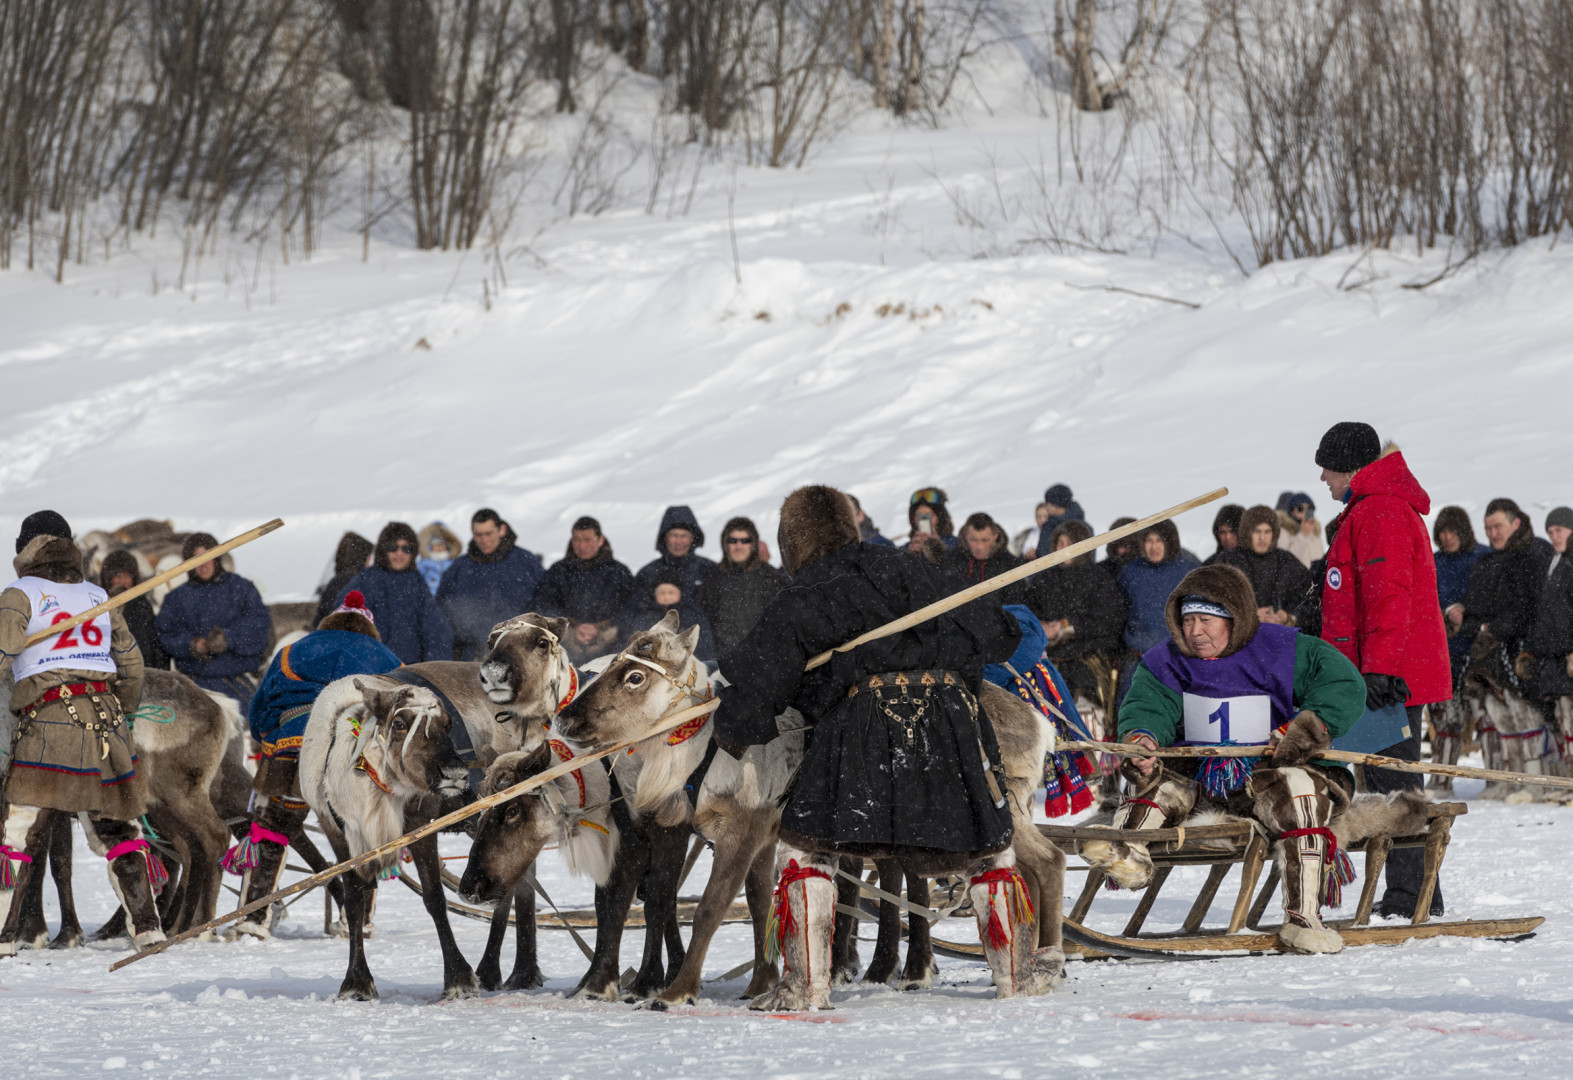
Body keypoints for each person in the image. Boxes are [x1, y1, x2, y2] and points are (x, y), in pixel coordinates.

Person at [714, 486, 1059, 1009]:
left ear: (791, 544)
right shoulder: (916, 571)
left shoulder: (805, 593)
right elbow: (998, 632)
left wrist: (734, 728)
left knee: (808, 848)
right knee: (987, 848)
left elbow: (759, 683)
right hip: (951, 722)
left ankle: (805, 985)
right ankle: (1017, 974)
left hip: (858, 727)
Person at [1099, 563, 1367, 953]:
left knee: (1300, 793)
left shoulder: (1284, 648)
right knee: (1150, 782)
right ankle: (1128, 859)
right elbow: (1146, 706)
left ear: (1234, 619)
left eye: (1206, 620)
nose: (1195, 631)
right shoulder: (1166, 661)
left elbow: (1342, 684)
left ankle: (1303, 917)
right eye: (1188, 620)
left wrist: (1303, 730)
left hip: (1273, 769)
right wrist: (1143, 740)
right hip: (1199, 773)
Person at [0, 512, 164, 953]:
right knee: (116, 828)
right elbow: (130, 664)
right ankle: (148, 927)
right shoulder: (98, 595)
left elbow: (1, 654)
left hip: (49, 720)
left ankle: (6, 936)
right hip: (106, 720)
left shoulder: (18, 595)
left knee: (20, 828)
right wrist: (122, 713)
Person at [1315, 421, 1451, 917]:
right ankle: (1415, 892)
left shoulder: (1380, 509)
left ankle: (1408, 893)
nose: (1324, 479)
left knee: (1394, 788)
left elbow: (1388, 595)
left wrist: (1377, 670)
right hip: (1379, 671)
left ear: (1350, 466)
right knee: (1383, 782)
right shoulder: (1371, 507)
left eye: (1328, 468)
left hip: (1387, 677)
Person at [231, 590, 402, 938]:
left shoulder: (293, 650)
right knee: (358, 831)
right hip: (353, 753)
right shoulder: (388, 660)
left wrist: (267, 739)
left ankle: (253, 917)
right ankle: (358, 920)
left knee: (272, 827)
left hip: (293, 747)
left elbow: (260, 706)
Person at [1457, 497, 1551, 799]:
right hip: (1493, 654)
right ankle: (1515, 779)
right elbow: (1479, 608)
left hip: (1528, 649)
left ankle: (1538, 781)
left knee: (1529, 716)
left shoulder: (1536, 554)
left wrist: (1498, 629)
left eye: (1498, 526)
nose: (1493, 533)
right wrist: (1474, 624)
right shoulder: (1488, 562)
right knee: (1502, 717)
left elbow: (1534, 607)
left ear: (1516, 523)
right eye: (1488, 528)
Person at [155, 532, 271, 717]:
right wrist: (191, 645)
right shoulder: (176, 598)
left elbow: (259, 626)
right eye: (196, 560)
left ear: (217, 558)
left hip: (237, 680)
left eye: (208, 557)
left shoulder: (241, 588)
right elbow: (166, 634)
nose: (203, 565)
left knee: (253, 730)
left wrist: (228, 639)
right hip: (195, 683)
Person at [1031, 520, 1126, 735]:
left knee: (1088, 726)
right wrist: (1041, 626)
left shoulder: (1098, 578)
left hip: (1086, 663)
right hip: (1050, 662)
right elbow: (1028, 611)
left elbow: (1109, 620)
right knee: (1047, 724)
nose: (1063, 549)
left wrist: (1066, 627)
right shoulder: (1043, 578)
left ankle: (1092, 763)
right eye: (1059, 543)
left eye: (1070, 543)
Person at [1430, 506, 1491, 782]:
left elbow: (1494, 598)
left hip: (1480, 651)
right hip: (1443, 653)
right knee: (1445, 717)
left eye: (1453, 531)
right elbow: (1424, 599)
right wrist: (1445, 611)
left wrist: (1469, 610)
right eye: (1442, 532)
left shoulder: (1484, 557)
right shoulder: (1433, 562)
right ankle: (1441, 779)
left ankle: (1496, 779)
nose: (1447, 537)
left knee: (1487, 717)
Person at [436, 509, 546, 661]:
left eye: (489, 534)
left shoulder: (526, 562)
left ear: (501, 530)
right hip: (473, 655)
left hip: (521, 652)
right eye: (479, 535)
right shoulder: (459, 568)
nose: (484, 540)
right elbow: (442, 612)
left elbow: (546, 603)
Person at [337, 523, 455, 665]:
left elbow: (436, 629)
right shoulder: (367, 579)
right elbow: (344, 618)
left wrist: (434, 670)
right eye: (393, 547)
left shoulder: (416, 582)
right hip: (372, 669)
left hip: (409, 670)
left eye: (406, 549)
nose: (399, 553)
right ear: (383, 550)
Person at [532, 516, 636, 666]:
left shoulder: (619, 572)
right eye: (577, 540)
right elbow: (543, 604)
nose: (582, 545)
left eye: (588, 540)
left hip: (610, 646)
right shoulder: (558, 571)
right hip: (564, 644)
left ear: (600, 540)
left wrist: (603, 629)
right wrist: (571, 628)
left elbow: (631, 609)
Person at [1525, 507, 1573, 791]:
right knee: (1564, 723)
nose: (1554, 536)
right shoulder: (1555, 562)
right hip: (1553, 658)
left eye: (1560, 530)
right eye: (1550, 531)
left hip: (1567, 656)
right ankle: (1566, 783)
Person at [701, 516, 787, 657]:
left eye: (745, 540)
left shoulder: (772, 578)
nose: (738, 546)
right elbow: (704, 626)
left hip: (765, 662)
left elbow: (784, 621)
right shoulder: (713, 580)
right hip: (722, 664)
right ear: (725, 543)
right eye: (733, 540)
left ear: (753, 543)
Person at [1218, 505, 1312, 625]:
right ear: (1247, 532)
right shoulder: (1229, 560)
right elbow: (1216, 599)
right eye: (1257, 531)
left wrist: (1288, 615)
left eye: (1267, 531)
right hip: (1240, 636)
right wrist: (1249, 615)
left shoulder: (1286, 560)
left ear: (1274, 533)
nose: (1262, 538)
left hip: (1279, 635)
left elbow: (1308, 596)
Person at [1117, 520, 1198, 656]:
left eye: (1159, 540)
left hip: (1179, 656)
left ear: (1169, 542)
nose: (1154, 547)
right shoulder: (1130, 573)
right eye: (1149, 540)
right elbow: (1119, 615)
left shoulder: (1188, 572)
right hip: (1139, 657)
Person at [99, 550, 167, 672]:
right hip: (108, 671)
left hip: (141, 670)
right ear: (108, 578)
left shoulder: (142, 605)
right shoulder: (98, 605)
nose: (122, 581)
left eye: (127, 576)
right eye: (118, 576)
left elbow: (154, 644)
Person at [629, 567, 716, 662]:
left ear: (680, 593)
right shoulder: (646, 615)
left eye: (671, 593)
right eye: (662, 593)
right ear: (655, 594)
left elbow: (704, 644)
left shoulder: (693, 614)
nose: (667, 597)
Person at [634, 506, 716, 606]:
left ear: (692, 539)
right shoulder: (648, 573)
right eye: (674, 535)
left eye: (684, 536)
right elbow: (636, 611)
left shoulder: (709, 570)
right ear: (665, 538)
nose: (678, 541)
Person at [946, 512, 1028, 604]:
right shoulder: (950, 562)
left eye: (985, 540)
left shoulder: (1011, 565)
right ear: (965, 536)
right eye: (973, 540)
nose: (979, 547)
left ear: (995, 536)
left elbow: (1016, 605)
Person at [313, 532, 374, 626]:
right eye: (369, 558)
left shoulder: (338, 581)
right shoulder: (352, 583)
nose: (369, 564)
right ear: (361, 559)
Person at [1032, 484, 1087, 559]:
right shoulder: (1048, 524)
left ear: (1055, 505)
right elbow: (1041, 554)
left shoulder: (1080, 528)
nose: (1046, 506)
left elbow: (1084, 559)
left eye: (1048, 503)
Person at [1278, 493, 1325, 569]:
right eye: (1300, 508)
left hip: (1315, 579)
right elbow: (1286, 561)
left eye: (1309, 509)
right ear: (1291, 510)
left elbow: (1320, 558)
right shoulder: (1284, 532)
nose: (1305, 512)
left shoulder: (1314, 532)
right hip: (1296, 579)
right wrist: (1303, 535)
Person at [416, 522, 462, 595]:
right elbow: (416, 580)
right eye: (436, 545)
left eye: (442, 544)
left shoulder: (454, 563)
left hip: (450, 599)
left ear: (447, 546)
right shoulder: (424, 563)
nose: (439, 547)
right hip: (431, 597)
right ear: (430, 546)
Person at [905, 487, 957, 552]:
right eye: (919, 516)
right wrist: (909, 555)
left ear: (941, 517)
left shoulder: (958, 545)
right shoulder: (905, 549)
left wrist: (937, 550)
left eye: (928, 515)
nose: (923, 520)